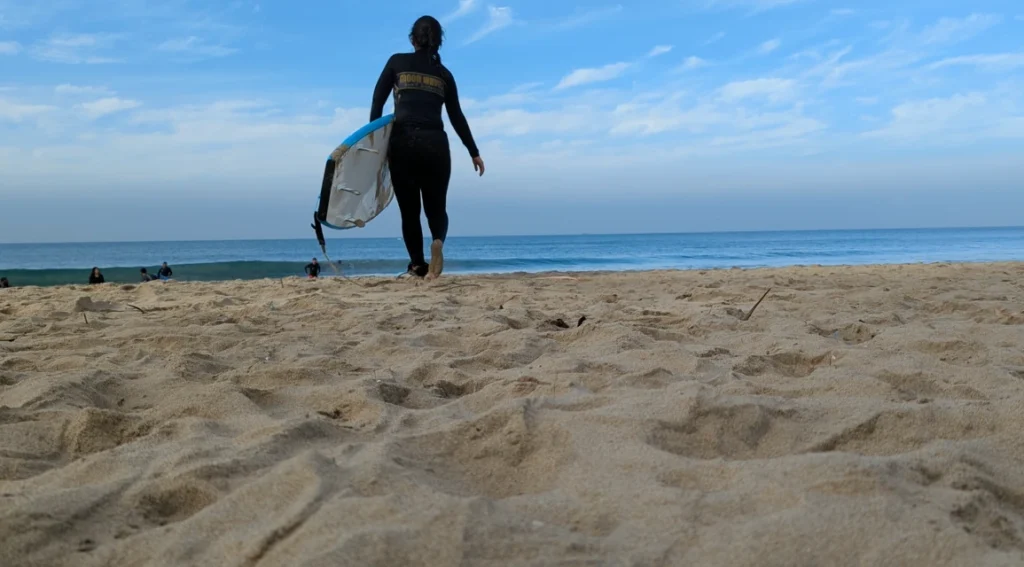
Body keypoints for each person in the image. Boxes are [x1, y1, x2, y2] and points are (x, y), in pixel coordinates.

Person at [370, 15, 485, 280]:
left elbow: (377, 104)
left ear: (413, 39)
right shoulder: (445, 75)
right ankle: (438, 242)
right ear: (439, 43)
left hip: (403, 144)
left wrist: (374, 146)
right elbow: (457, 117)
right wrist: (473, 151)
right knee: (436, 208)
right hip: (436, 145)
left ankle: (418, 265)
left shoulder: (396, 62)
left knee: (409, 212)